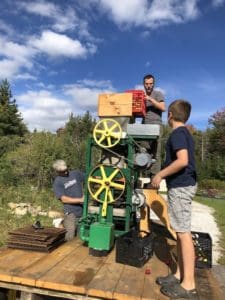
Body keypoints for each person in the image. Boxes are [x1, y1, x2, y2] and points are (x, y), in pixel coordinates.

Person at [151, 100, 198, 299]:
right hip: (180, 186)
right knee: (179, 232)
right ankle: (179, 274)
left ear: (170, 114)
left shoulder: (178, 133)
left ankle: (189, 285)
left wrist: (160, 174)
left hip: (181, 186)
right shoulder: (185, 133)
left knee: (184, 233)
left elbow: (183, 161)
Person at [53, 160, 85, 241]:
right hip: (71, 212)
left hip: (83, 210)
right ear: (57, 171)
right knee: (70, 235)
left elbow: (90, 177)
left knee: (81, 234)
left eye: (66, 170)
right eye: (63, 171)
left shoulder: (75, 174)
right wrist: (80, 200)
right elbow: (64, 199)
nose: (66, 172)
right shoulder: (58, 182)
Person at [143, 74, 166, 175]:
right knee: (143, 151)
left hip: (156, 125)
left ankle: (154, 180)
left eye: (151, 84)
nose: (149, 86)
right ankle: (144, 176)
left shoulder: (158, 94)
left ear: (153, 84)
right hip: (144, 126)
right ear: (144, 84)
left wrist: (150, 99)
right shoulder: (142, 96)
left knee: (155, 153)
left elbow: (163, 107)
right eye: (147, 84)